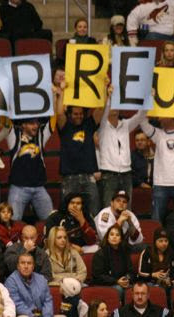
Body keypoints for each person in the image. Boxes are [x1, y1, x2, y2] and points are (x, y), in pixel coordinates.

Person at [55, 81, 102, 216]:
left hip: (88, 177)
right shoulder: (65, 127)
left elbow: (100, 109)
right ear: (70, 114)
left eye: (81, 113)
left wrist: (102, 88)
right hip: (69, 178)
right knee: (68, 214)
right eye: (75, 114)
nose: (79, 116)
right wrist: (62, 92)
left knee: (94, 213)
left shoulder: (89, 124)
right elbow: (59, 113)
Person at [5, 253, 53, 317]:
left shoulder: (41, 279)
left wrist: (47, 316)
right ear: (18, 266)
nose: (26, 266)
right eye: (23, 263)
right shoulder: (11, 281)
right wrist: (33, 316)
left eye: (29, 263)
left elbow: (48, 301)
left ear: (33, 267)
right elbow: (17, 304)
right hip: (24, 315)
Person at [92, 224, 134, 299]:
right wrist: (116, 281)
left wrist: (126, 279)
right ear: (107, 238)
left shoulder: (124, 252)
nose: (114, 237)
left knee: (135, 289)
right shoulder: (100, 254)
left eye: (117, 235)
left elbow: (131, 271)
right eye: (111, 234)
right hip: (106, 284)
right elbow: (98, 276)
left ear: (120, 239)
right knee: (118, 289)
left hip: (122, 282)